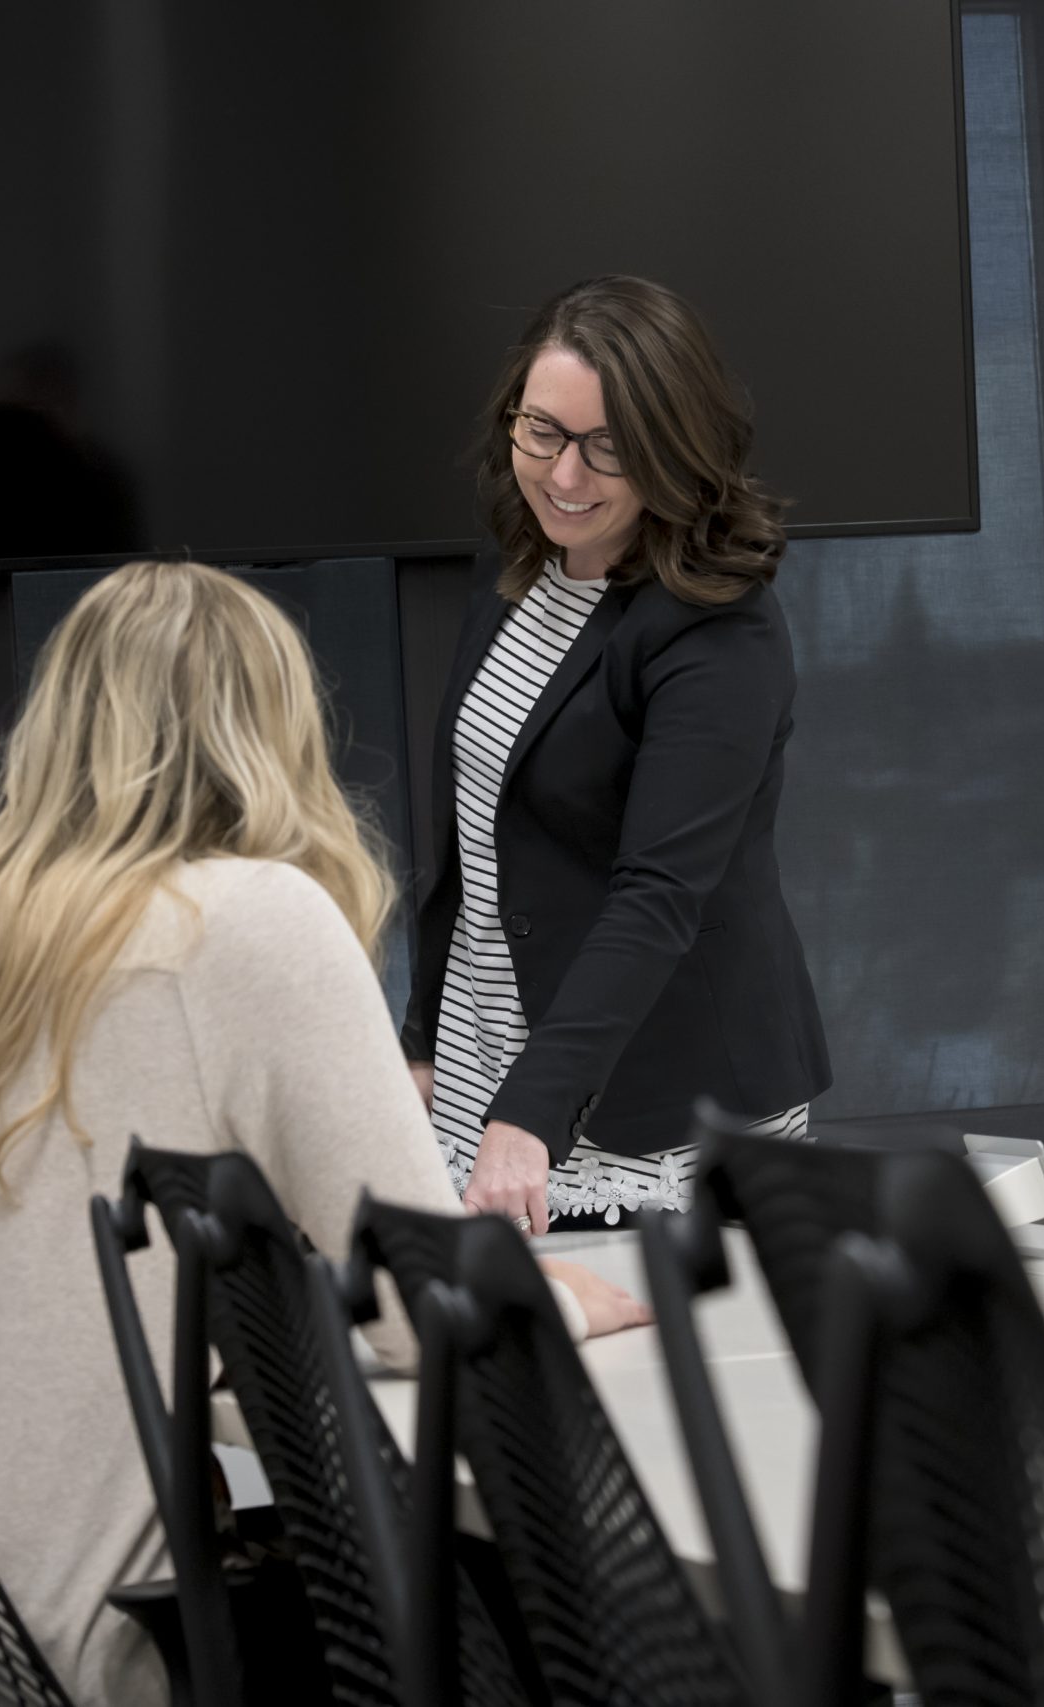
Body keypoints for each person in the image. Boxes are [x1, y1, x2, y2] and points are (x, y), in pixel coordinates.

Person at [0, 559, 646, 1706]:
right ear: (274, 729)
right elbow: (425, 1306)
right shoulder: (250, 918)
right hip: (77, 1647)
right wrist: (562, 1295)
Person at [405, 275, 832, 1234]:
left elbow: (658, 894)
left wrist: (532, 1111)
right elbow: (471, 836)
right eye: (544, 432)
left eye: (610, 448)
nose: (565, 476)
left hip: (645, 1104)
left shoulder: (719, 629)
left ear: (675, 450)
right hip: (490, 1073)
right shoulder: (522, 565)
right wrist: (424, 1037)